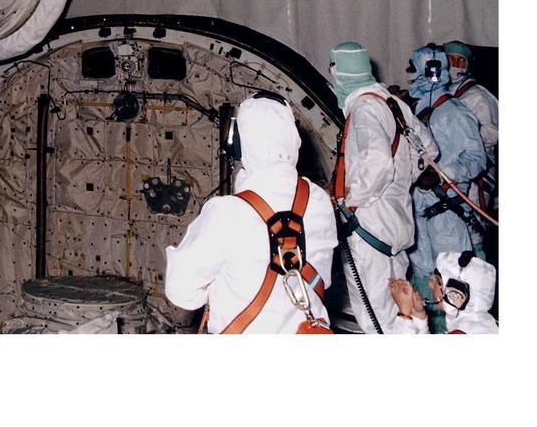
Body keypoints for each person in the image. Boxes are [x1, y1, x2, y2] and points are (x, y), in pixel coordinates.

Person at [165, 91, 337, 333]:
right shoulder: (319, 200)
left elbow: (181, 291)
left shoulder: (226, 213)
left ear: (239, 144)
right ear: (294, 139)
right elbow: (322, 281)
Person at [328, 41, 437, 334]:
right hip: (396, 224)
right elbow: (428, 150)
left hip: (370, 229)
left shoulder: (364, 108)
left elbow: (377, 163)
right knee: (401, 309)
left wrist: (351, 201)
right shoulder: (393, 104)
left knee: (376, 319)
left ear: (337, 71)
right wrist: (400, 182)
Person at [407, 44, 487, 326]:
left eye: (413, 68)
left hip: (447, 219)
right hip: (420, 220)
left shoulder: (453, 113)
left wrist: (441, 175)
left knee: (454, 295)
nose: (409, 73)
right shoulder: (420, 112)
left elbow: (477, 159)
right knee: (424, 291)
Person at [443, 41, 498, 215]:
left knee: (472, 222)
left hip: (476, 176)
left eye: (460, 60)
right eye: (451, 60)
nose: (455, 65)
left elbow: (493, 133)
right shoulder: (442, 93)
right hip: (450, 171)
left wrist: (465, 137)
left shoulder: (478, 96)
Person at [432, 250, 498, 334]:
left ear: (455, 293)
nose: (430, 285)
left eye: (438, 281)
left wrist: (419, 321)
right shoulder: (488, 323)